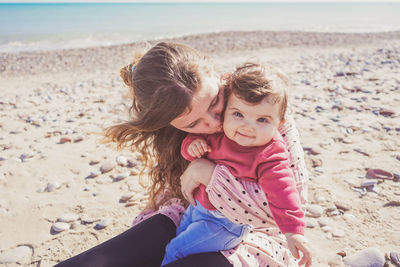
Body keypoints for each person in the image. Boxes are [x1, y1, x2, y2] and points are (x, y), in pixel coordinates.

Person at [54, 42, 310, 267]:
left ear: (216, 75)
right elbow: (178, 194)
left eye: (213, 103)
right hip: (191, 215)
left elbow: (288, 200)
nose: (212, 123)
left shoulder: (258, 107)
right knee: (102, 260)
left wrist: (209, 173)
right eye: (193, 124)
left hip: (259, 235)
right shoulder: (174, 127)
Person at [161, 63, 311, 266]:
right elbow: (190, 145)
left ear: (280, 122)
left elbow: (283, 192)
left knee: (175, 250)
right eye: (238, 114)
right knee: (178, 238)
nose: (247, 127)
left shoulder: (270, 153)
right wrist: (191, 146)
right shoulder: (223, 131)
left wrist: (293, 233)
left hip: (225, 224)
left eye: (262, 119)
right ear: (227, 111)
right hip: (198, 208)